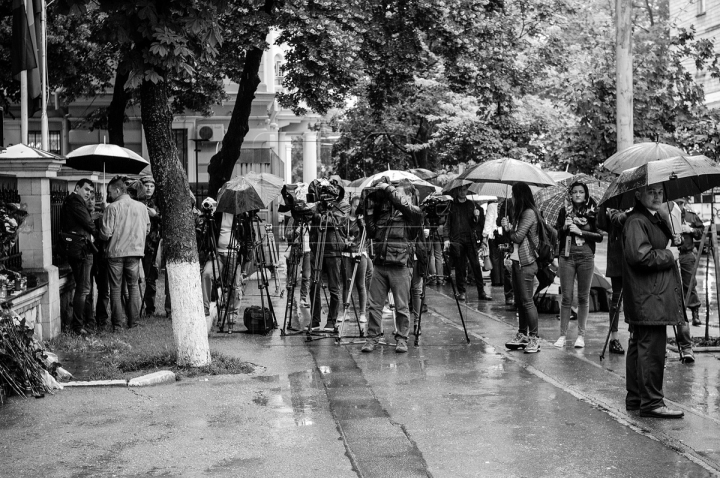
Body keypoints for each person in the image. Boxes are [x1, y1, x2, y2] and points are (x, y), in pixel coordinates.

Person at [623, 184, 685, 418]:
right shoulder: (638, 221)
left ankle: (637, 398)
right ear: (638, 195)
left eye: (660, 192)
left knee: (641, 346)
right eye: (651, 192)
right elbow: (640, 256)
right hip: (650, 296)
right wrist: (670, 254)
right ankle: (651, 403)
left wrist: (671, 239)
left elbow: (654, 247)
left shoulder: (652, 218)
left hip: (649, 295)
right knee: (651, 349)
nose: (657, 196)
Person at [361, 177, 422, 353]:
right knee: (374, 305)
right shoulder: (385, 213)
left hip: (401, 266)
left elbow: (403, 204)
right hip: (380, 264)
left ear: (408, 196)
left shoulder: (414, 213)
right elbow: (372, 233)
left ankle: (402, 339)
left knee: (402, 306)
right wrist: (369, 211)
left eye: (398, 192)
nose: (394, 195)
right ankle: (372, 337)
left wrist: (388, 188)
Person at [553, 181, 603, 349]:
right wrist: (565, 227)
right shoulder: (564, 212)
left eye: (581, 192)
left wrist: (581, 231)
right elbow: (557, 236)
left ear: (586, 194)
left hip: (586, 257)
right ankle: (562, 335)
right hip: (567, 256)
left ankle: (581, 336)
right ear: (571, 195)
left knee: (583, 297)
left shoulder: (593, 212)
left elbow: (599, 236)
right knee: (566, 297)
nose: (578, 194)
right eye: (575, 192)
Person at [99, 176, 150, 331]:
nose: (109, 195)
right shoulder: (141, 207)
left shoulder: (112, 208)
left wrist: (100, 229)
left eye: (110, 192)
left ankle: (117, 325)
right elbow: (147, 229)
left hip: (115, 253)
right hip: (135, 252)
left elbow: (106, 233)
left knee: (115, 289)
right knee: (133, 286)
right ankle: (133, 323)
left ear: (118, 190)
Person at [501, 182, 541, 354]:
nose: (511, 197)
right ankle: (522, 334)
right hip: (518, 262)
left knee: (527, 302)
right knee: (520, 302)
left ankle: (534, 338)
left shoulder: (529, 213)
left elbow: (517, 237)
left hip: (527, 263)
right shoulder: (520, 214)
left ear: (520, 196)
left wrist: (509, 229)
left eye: (513, 194)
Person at [308, 180, 349, 331]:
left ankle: (332, 320)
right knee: (314, 285)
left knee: (333, 286)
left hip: (333, 249)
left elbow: (335, 221)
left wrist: (318, 216)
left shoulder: (343, 205)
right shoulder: (319, 205)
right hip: (317, 247)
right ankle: (314, 319)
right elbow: (308, 214)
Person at [60, 178, 97, 335]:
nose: (89, 193)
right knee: (83, 288)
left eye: (91, 191)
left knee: (84, 287)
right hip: (80, 249)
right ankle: (78, 326)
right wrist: (93, 222)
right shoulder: (75, 200)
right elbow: (88, 223)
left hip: (79, 248)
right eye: (86, 189)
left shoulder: (75, 201)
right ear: (77, 187)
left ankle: (87, 321)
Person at [444, 184, 491, 302]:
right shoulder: (451, 206)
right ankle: (461, 292)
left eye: (464, 190)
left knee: (475, 265)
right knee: (460, 267)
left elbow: (476, 224)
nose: (462, 192)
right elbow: (447, 223)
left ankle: (481, 291)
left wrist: (476, 217)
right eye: (460, 190)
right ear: (457, 191)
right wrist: (446, 238)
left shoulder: (472, 205)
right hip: (456, 239)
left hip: (470, 239)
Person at [597, 205, 627, 354]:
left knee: (635, 300)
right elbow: (611, 221)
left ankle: (636, 335)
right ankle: (614, 338)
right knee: (616, 301)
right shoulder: (615, 204)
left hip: (637, 257)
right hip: (618, 259)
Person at [675, 197, 705, 326]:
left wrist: (690, 230)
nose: (679, 206)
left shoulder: (691, 216)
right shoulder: (666, 215)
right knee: (672, 285)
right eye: (677, 203)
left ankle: (695, 313)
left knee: (690, 284)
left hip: (686, 254)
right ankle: (676, 314)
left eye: (681, 203)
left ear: (685, 203)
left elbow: (702, 232)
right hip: (672, 254)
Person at [340, 196, 368, 324]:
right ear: (351, 205)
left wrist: (362, 223)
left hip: (360, 253)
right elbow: (340, 234)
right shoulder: (344, 220)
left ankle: (363, 313)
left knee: (360, 284)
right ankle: (346, 311)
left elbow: (366, 236)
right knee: (346, 283)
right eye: (355, 206)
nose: (357, 208)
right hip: (346, 253)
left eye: (359, 206)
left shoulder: (362, 220)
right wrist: (344, 241)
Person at [140, 177, 161, 315]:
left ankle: (150, 308)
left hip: (152, 244)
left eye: (151, 186)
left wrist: (156, 215)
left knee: (150, 277)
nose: (148, 188)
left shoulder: (158, 203)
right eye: (146, 185)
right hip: (137, 242)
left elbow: (164, 221)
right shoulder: (137, 201)